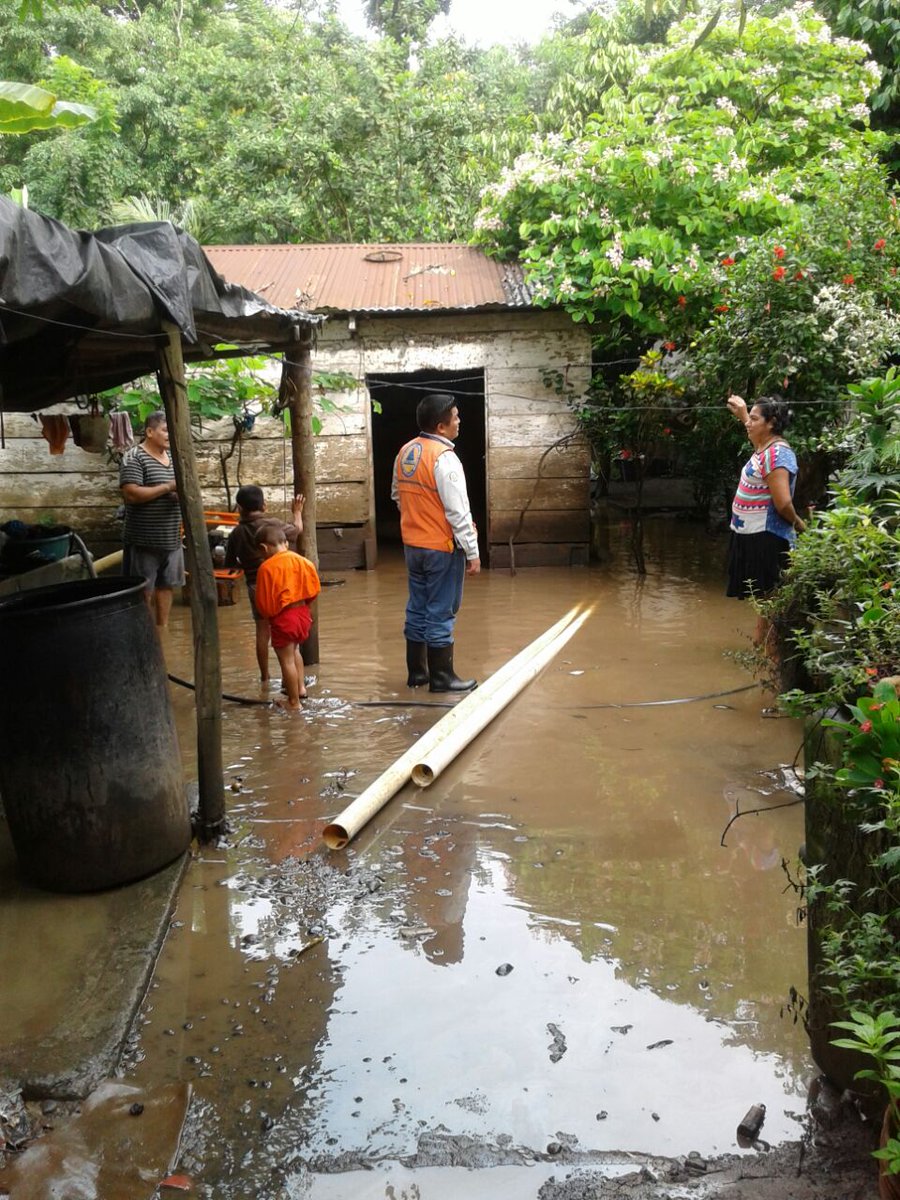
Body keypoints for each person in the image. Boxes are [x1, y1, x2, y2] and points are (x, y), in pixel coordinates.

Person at [392, 392, 480, 693]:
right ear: (441, 426)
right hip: (441, 548)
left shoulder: (405, 452)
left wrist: (418, 520)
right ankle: (442, 678)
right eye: (455, 416)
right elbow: (458, 511)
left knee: (417, 607)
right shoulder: (445, 459)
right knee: (442, 610)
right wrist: (472, 551)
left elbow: (397, 496)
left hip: (412, 546)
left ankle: (417, 673)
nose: (459, 421)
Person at [725, 393, 806, 647]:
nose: (749, 423)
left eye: (754, 419)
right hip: (753, 533)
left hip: (767, 537)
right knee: (764, 598)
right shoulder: (766, 448)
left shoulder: (779, 454)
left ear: (771, 423)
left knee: (770, 599)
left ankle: (770, 655)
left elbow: (782, 503)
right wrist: (744, 415)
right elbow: (760, 454)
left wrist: (800, 526)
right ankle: (761, 649)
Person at [224, 486, 304, 687]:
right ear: (264, 505)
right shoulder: (274, 525)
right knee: (287, 635)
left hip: (256, 585)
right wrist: (297, 512)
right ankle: (294, 682)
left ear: (240, 508)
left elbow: (230, 563)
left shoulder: (237, 533)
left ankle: (265, 677)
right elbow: (297, 530)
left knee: (262, 631)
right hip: (281, 584)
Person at [119, 410, 184, 628]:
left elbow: (178, 490)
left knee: (167, 587)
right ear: (149, 431)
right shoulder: (134, 456)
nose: (169, 435)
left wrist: (176, 494)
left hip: (171, 538)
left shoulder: (174, 458)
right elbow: (130, 494)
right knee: (143, 592)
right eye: (165, 430)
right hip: (144, 540)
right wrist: (167, 487)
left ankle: (161, 633)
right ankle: (144, 635)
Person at [254, 524, 321, 710]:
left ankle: (293, 702)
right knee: (296, 652)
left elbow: (264, 604)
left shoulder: (266, 568)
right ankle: (300, 689)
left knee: (286, 660)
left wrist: (271, 617)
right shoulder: (303, 561)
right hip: (303, 615)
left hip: (284, 618)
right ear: (285, 542)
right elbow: (314, 590)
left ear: (263, 548)